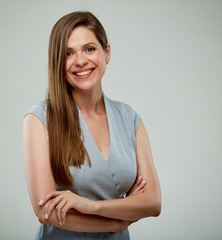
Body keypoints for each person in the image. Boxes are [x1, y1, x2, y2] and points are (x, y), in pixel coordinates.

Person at [22, 11, 161, 240]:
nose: (80, 61)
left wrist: (92, 207)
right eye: (68, 53)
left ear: (106, 52)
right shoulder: (39, 119)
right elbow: (46, 212)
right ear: (57, 61)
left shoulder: (130, 118)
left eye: (89, 49)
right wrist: (119, 220)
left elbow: (153, 202)